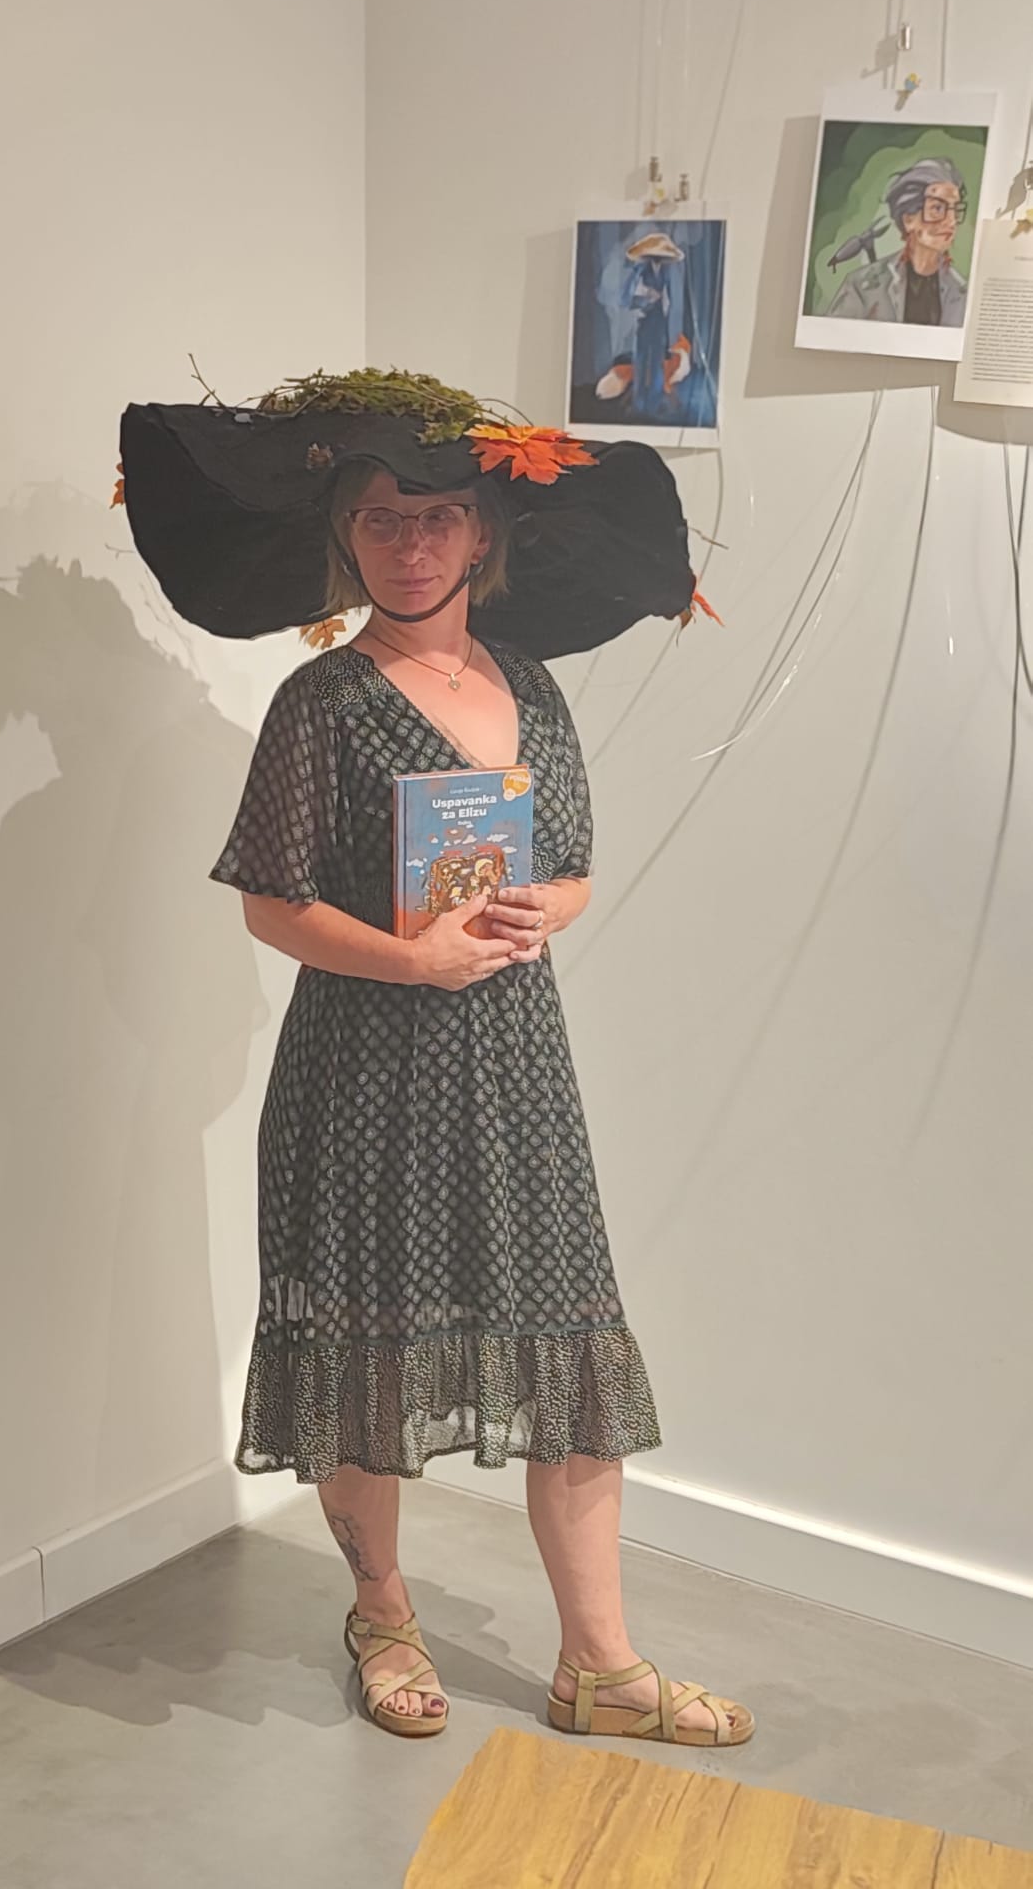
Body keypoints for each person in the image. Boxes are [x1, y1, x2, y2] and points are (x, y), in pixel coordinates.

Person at [116, 370, 750, 1748]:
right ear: (347, 538)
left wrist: (542, 910)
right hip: (362, 1072)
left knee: (569, 1347)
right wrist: (411, 960)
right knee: (369, 1357)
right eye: (382, 518)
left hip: (516, 1068)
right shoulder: (321, 703)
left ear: (482, 534)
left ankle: (601, 1664)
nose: (411, 542)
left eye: (437, 516)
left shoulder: (531, 688)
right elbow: (271, 902)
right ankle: (383, 1613)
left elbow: (571, 866)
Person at [827, 157, 968, 327]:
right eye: (937, 208)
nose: (951, 221)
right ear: (908, 219)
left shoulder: (962, 292)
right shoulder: (864, 287)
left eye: (955, 209)